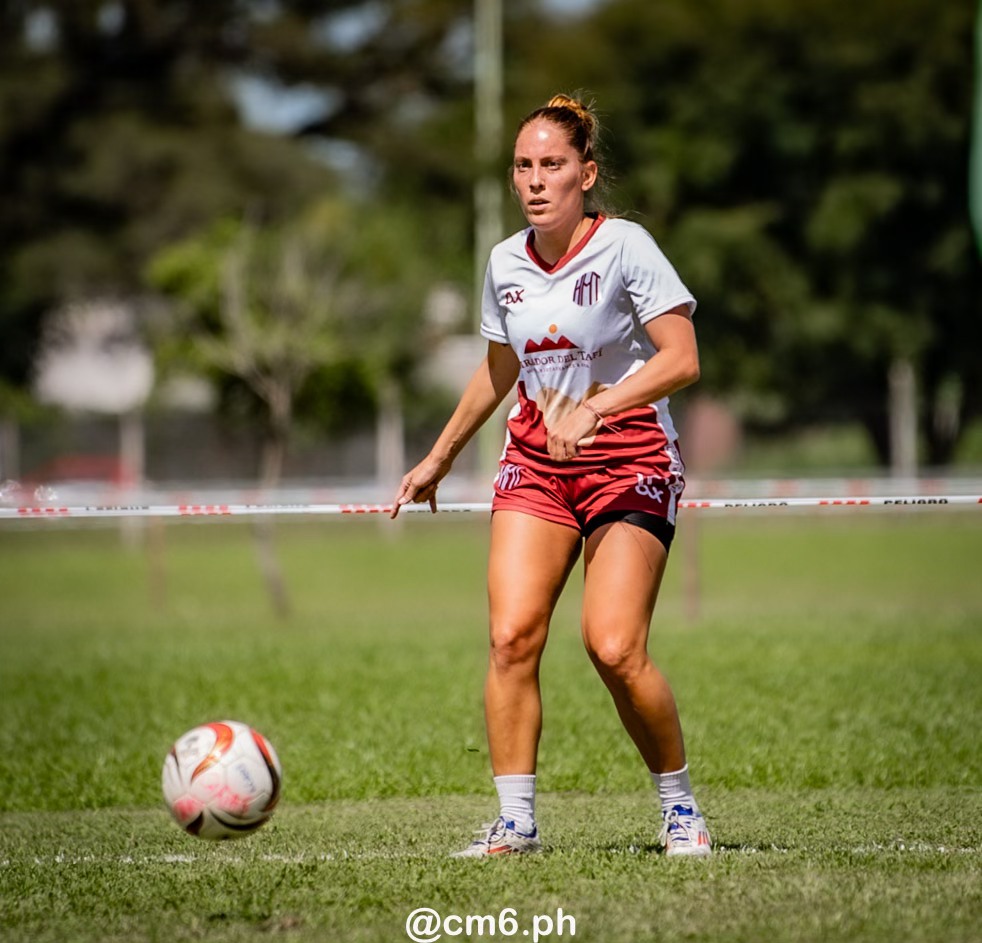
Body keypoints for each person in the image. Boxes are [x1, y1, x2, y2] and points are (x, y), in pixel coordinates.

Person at [391, 93, 711, 858]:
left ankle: (680, 809)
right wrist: (439, 454)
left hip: (630, 461)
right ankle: (516, 823)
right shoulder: (503, 261)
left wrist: (599, 409)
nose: (536, 181)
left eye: (553, 166)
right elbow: (502, 364)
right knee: (509, 638)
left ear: (586, 174)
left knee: (611, 645)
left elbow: (683, 358)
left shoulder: (627, 245)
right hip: (536, 462)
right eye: (524, 167)